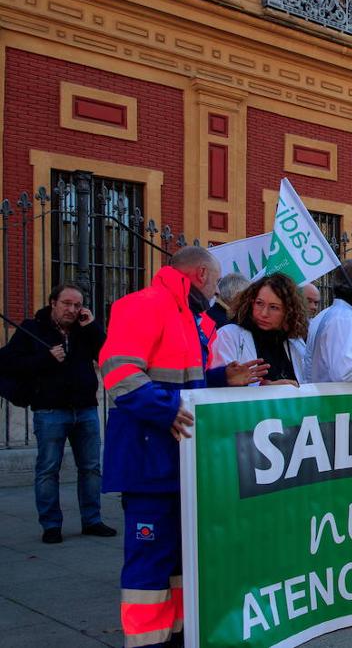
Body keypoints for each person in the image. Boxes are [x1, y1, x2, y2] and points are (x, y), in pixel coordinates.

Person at [99, 246, 266, 648]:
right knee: (149, 563)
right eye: (214, 283)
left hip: (177, 461)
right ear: (201, 274)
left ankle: (176, 636)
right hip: (148, 461)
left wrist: (222, 379)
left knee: (177, 559)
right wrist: (166, 409)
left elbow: (184, 386)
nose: (216, 294)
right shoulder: (143, 305)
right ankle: (147, 643)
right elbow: (118, 373)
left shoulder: (186, 316)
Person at [1, 284, 113, 543]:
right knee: (48, 469)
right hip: (50, 410)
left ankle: (92, 520)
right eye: (66, 303)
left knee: (91, 468)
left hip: (85, 409)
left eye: (77, 305)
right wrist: (45, 358)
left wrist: (93, 327)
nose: (72, 310)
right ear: (53, 302)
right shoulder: (32, 329)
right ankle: (51, 525)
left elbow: (108, 354)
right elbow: (7, 362)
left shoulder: (84, 331)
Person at [211, 274, 309, 386]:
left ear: (289, 312)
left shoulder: (295, 343)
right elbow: (214, 393)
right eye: (259, 303)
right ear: (250, 303)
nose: (264, 313)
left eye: (274, 307)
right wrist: (263, 391)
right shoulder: (228, 335)